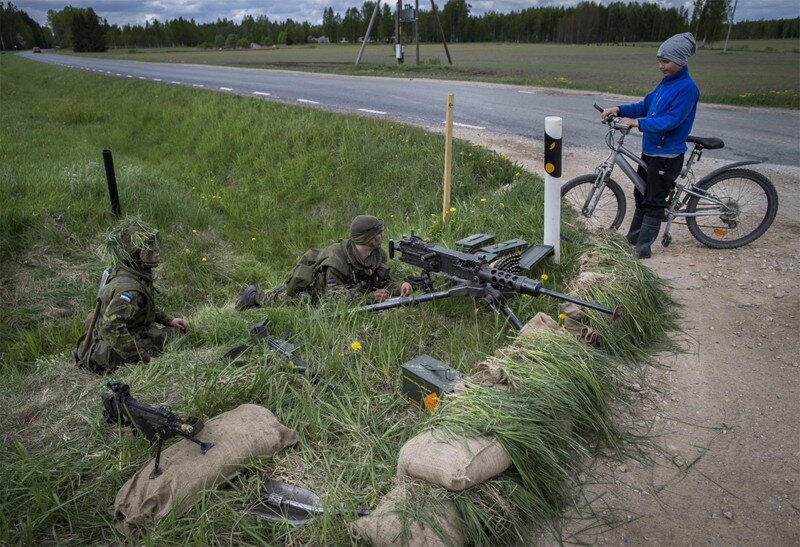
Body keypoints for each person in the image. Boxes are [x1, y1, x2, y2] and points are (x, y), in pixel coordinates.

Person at [601, 32, 700, 258]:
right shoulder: (666, 83)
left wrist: (638, 123)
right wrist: (619, 109)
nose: (661, 66)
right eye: (659, 61)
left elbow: (672, 120)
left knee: (655, 200)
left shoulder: (687, 88)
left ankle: (642, 250)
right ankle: (633, 238)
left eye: (666, 62)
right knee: (641, 194)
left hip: (667, 154)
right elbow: (645, 105)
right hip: (651, 151)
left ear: (681, 60)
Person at [73, 218, 189, 373]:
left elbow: (145, 307)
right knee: (174, 335)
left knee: (176, 329)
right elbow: (111, 328)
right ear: (134, 254)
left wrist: (169, 320)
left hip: (126, 332)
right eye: (149, 247)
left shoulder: (132, 272)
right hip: (109, 345)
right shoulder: (129, 290)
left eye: (155, 244)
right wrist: (145, 359)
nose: (156, 250)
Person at [237, 214, 413, 310]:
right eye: (378, 234)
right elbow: (333, 298)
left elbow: (382, 281)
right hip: (317, 291)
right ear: (365, 238)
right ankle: (253, 297)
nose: (382, 236)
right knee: (286, 300)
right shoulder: (336, 261)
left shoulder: (377, 254)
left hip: (351, 286)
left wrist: (399, 286)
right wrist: (368, 298)